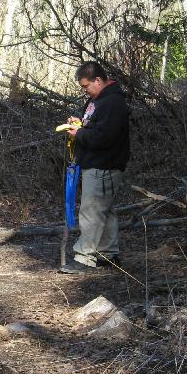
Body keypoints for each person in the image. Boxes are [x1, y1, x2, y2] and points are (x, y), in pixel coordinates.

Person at [60, 61, 130, 274]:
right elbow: (97, 127)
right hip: (95, 164)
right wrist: (81, 124)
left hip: (105, 165)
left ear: (98, 80)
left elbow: (105, 137)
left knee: (91, 211)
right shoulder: (98, 100)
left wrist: (79, 134)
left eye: (86, 86)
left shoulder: (113, 103)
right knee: (105, 211)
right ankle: (108, 254)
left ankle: (84, 257)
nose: (85, 90)